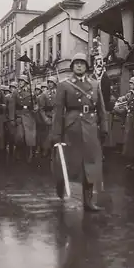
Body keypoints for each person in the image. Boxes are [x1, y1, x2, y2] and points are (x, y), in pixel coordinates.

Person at [51, 52, 108, 212]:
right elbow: (58, 111)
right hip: (72, 128)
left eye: (82, 63)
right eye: (76, 63)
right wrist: (56, 134)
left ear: (86, 67)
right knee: (70, 164)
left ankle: (88, 200)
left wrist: (104, 127)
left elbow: (101, 109)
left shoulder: (95, 84)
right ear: (72, 66)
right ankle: (61, 184)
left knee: (89, 165)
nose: (79, 65)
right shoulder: (64, 85)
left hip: (90, 127)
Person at [116, 76, 134, 171]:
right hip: (130, 118)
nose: (130, 85)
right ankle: (132, 161)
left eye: (131, 83)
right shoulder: (131, 94)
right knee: (129, 141)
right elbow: (126, 101)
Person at [9, 74, 37, 162]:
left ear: (26, 82)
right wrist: (12, 119)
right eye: (19, 81)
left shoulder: (31, 93)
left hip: (29, 116)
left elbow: (35, 105)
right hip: (19, 116)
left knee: (30, 137)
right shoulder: (16, 93)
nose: (20, 82)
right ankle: (18, 149)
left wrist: (35, 106)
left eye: (22, 81)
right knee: (19, 136)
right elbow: (12, 106)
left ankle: (29, 153)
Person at [38, 76, 58, 157]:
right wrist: (45, 118)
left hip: (58, 117)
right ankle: (46, 149)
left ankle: (56, 151)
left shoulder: (60, 93)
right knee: (48, 135)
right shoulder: (44, 94)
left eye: (51, 82)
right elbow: (41, 109)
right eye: (48, 82)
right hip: (49, 116)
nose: (50, 84)